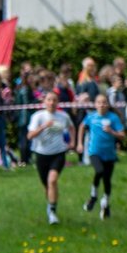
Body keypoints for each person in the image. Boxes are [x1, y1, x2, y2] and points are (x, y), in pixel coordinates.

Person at [27, 91, 76, 225]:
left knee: (52, 181)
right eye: (49, 100)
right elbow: (30, 136)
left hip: (58, 153)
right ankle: (50, 206)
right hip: (41, 154)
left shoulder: (63, 116)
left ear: (58, 102)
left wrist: (72, 142)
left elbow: (72, 127)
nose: (51, 103)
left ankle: (53, 212)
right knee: (47, 186)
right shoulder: (38, 116)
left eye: (54, 100)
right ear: (44, 102)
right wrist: (44, 126)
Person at [77, 94, 125, 219]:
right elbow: (82, 126)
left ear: (108, 104)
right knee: (99, 171)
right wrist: (79, 143)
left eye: (104, 102)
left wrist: (112, 132)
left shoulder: (113, 118)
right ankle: (93, 197)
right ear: (95, 104)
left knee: (107, 180)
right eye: (99, 102)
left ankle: (106, 205)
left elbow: (122, 135)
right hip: (94, 151)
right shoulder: (91, 117)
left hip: (109, 154)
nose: (101, 105)